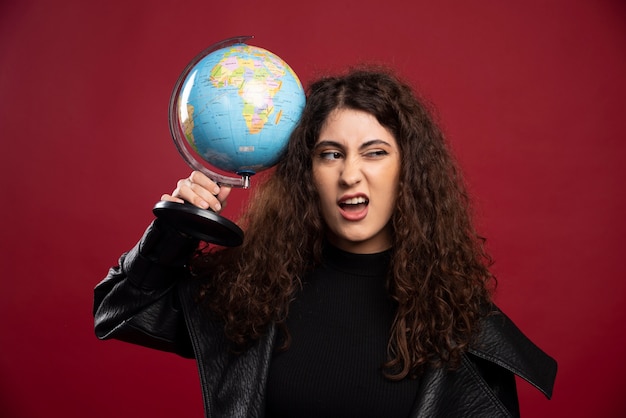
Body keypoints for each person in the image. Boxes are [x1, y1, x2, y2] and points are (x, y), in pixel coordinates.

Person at [93, 66, 557, 417]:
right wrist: (175, 230)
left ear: (408, 172)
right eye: (330, 154)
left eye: (375, 153)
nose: (350, 175)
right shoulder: (252, 293)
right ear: (306, 174)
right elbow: (119, 311)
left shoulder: (460, 322)